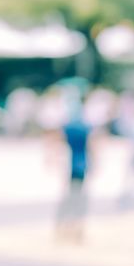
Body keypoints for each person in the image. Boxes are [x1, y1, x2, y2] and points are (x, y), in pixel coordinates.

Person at [54, 102, 96, 244]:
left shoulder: (67, 127)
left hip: (67, 164)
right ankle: (77, 229)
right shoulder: (85, 128)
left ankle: (62, 227)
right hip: (80, 164)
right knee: (79, 197)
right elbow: (91, 145)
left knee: (67, 197)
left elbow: (57, 143)